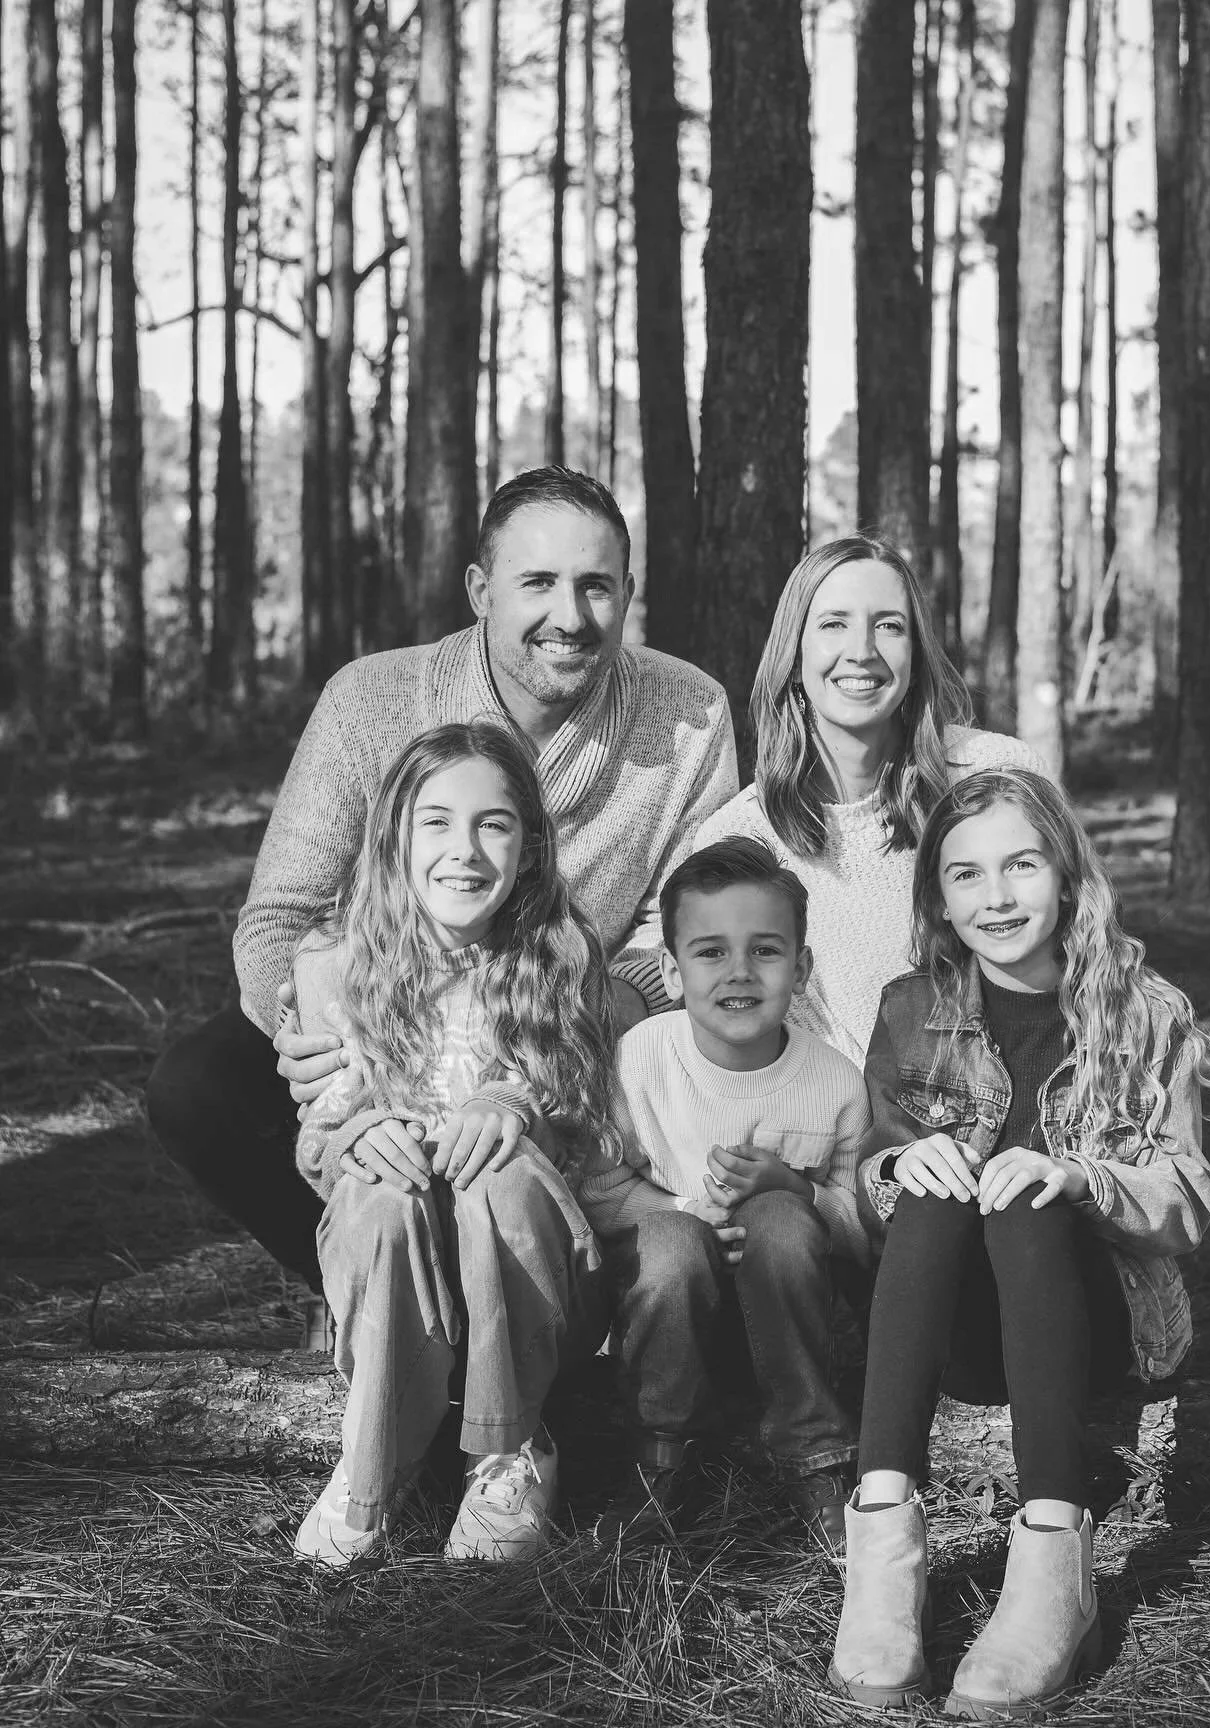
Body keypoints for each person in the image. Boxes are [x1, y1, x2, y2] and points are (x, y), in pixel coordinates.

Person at [146, 467, 736, 1334]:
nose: (568, 616)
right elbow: (280, 916)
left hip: (566, 1027)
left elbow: (687, 932)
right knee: (195, 1087)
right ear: (479, 590)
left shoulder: (689, 714)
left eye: (595, 585)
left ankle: (548, 1307)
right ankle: (373, 1295)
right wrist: (325, 1041)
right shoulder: (371, 699)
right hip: (381, 1019)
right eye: (536, 582)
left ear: (628, 594)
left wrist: (558, 1035)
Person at [828, 767, 1210, 1717]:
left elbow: (1188, 1198)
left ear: (1067, 873)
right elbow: (868, 1174)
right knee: (932, 1183)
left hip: (1102, 1329)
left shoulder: (1148, 1014)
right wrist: (897, 1169)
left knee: (1029, 1194)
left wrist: (1081, 1178)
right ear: (937, 897)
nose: (997, 896)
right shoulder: (907, 1008)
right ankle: (882, 1546)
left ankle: (1055, 1549)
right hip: (966, 1333)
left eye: (1021, 865)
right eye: (965, 875)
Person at [290, 722, 617, 1567]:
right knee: (377, 1188)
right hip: (395, 1273)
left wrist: (516, 1103)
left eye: (494, 823)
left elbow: (586, 1129)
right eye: (436, 821)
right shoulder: (335, 963)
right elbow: (318, 1143)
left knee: (500, 1172)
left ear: (530, 844)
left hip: (526, 1284)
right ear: (395, 834)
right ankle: (375, 1461)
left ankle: (507, 1450)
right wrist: (360, 1132)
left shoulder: (560, 954)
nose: (464, 851)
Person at [580, 838, 872, 1553]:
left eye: (765, 952)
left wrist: (793, 1187)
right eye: (710, 952)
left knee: (777, 1217)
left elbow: (864, 1226)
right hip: (666, 1315)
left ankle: (815, 1457)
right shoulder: (641, 1059)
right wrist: (686, 1213)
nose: (739, 972)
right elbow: (595, 1190)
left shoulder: (834, 1081)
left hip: (789, 1316)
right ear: (671, 973)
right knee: (674, 1244)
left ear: (801, 969)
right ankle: (659, 1460)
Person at [694, 534, 1048, 1069]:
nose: (862, 650)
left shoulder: (994, 773)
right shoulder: (740, 837)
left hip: (1014, 1111)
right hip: (829, 1131)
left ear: (916, 654)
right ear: (794, 654)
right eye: (834, 624)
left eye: (889, 625)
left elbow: (1086, 951)